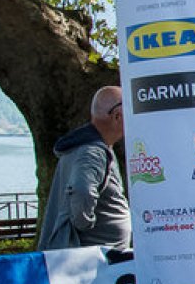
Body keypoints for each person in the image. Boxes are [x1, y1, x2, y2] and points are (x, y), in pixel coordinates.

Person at [39, 86, 130, 250]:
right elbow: (82, 189)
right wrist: (86, 224)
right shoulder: (92, 152)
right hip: (90, 256)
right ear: (117, 116)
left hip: (97, 254)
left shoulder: (94, 147)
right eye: (130, 111)